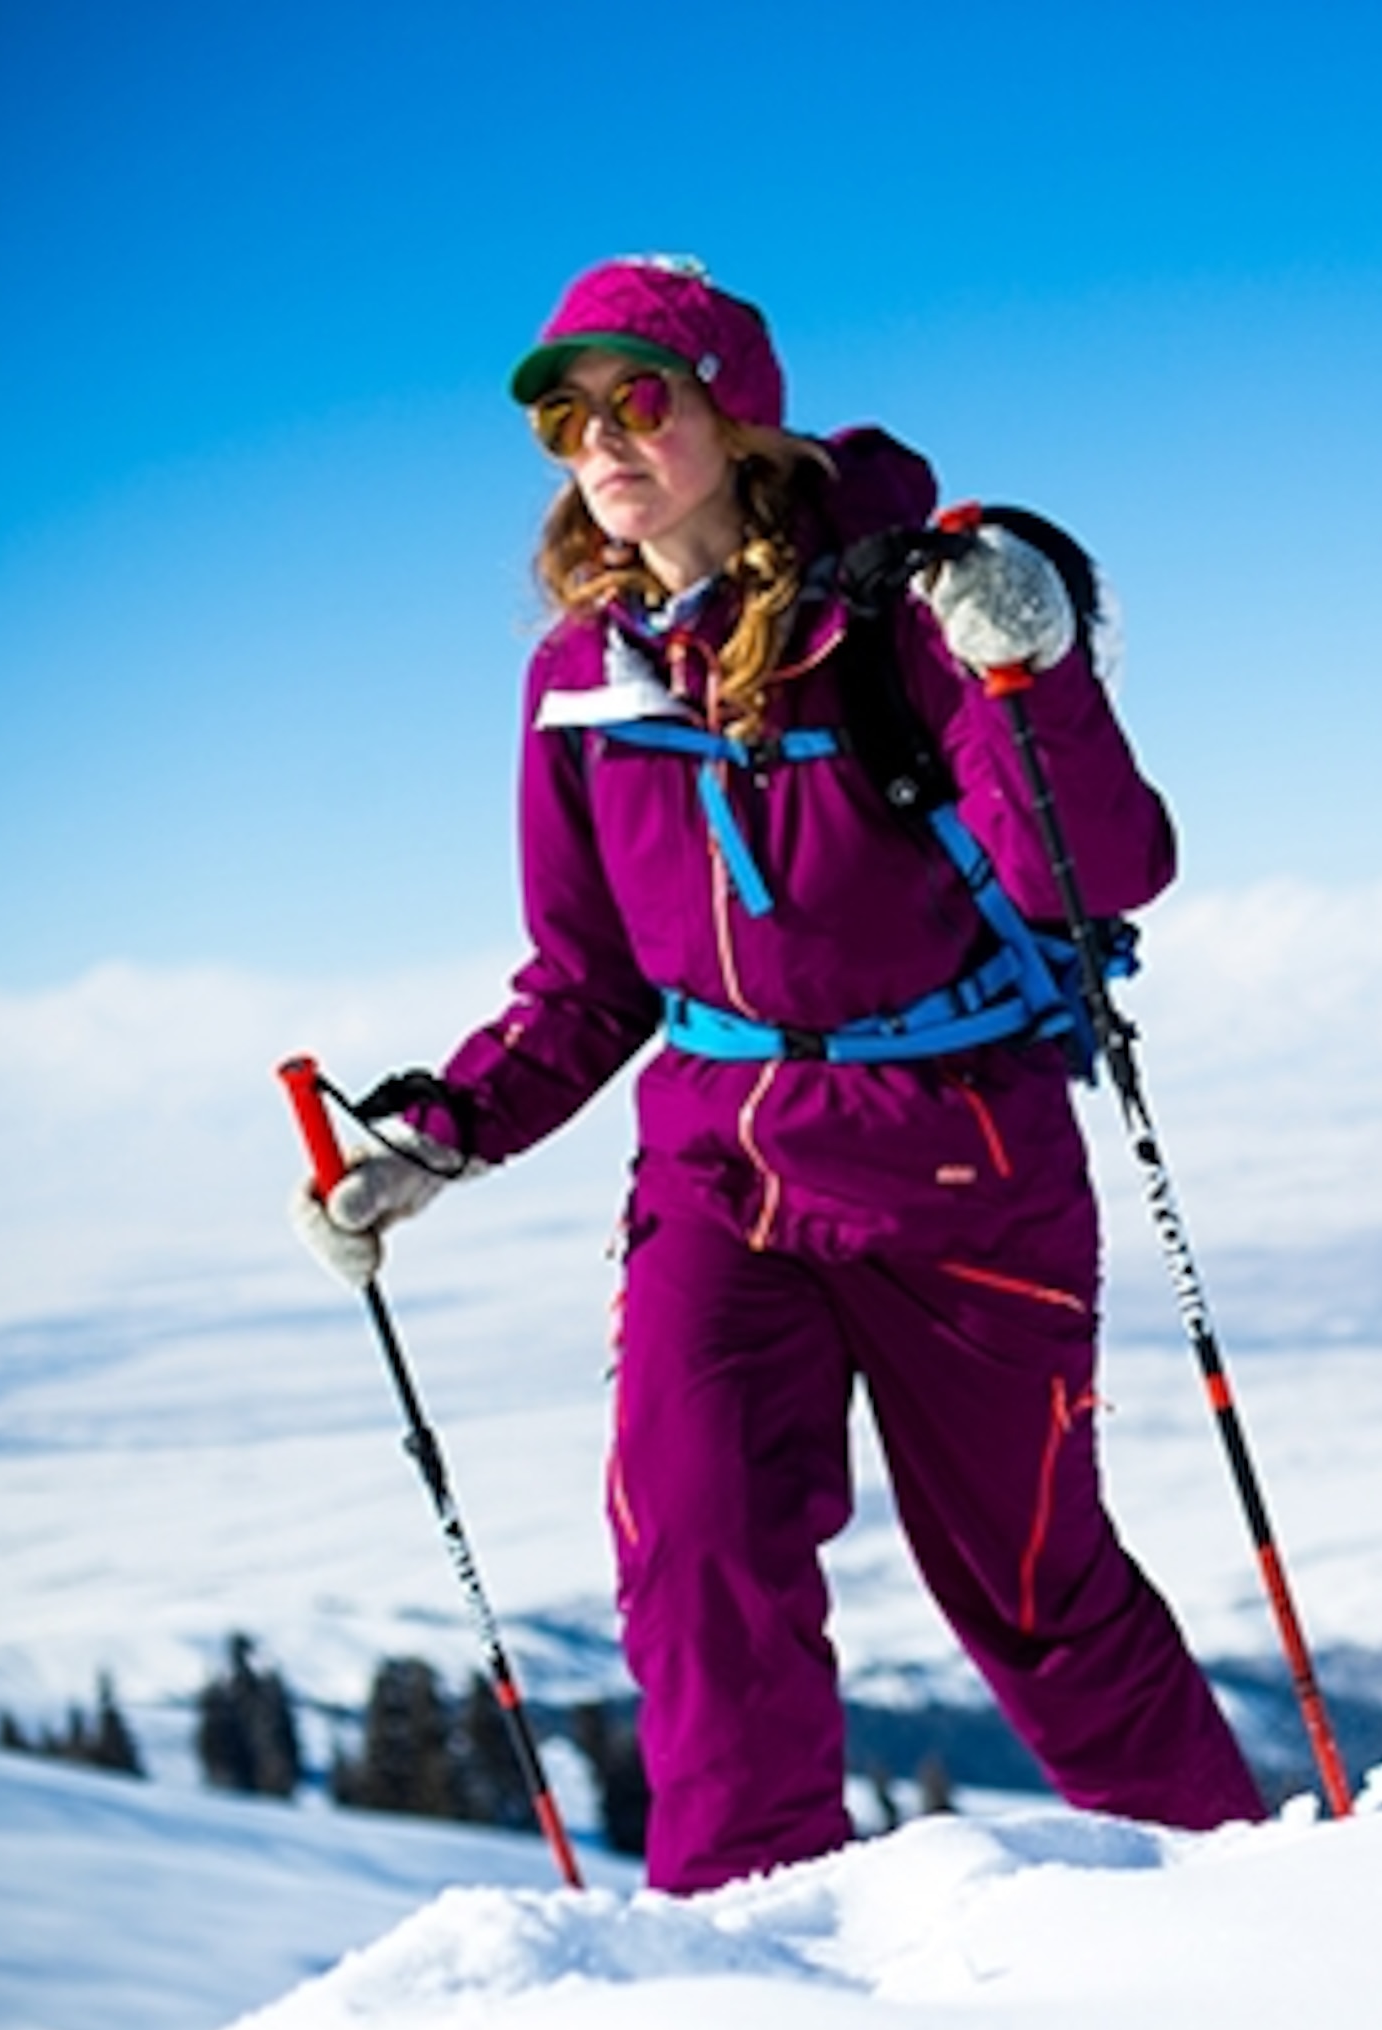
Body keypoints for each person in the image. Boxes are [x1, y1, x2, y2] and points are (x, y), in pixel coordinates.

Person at [291, 255, 1264, 1892]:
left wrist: (1037, 672)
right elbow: (588, 984)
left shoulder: (901, 608)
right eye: (565, 416)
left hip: (962, 1157)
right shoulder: (575, 685)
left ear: (737, 417)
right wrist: (434, 1141)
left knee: (1032, 1590)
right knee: (693, 1546)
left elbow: (1091, 874)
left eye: (639, 397)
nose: (600, 437)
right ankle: (744, 1945)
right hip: (718, 1172)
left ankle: (1256, 1898)